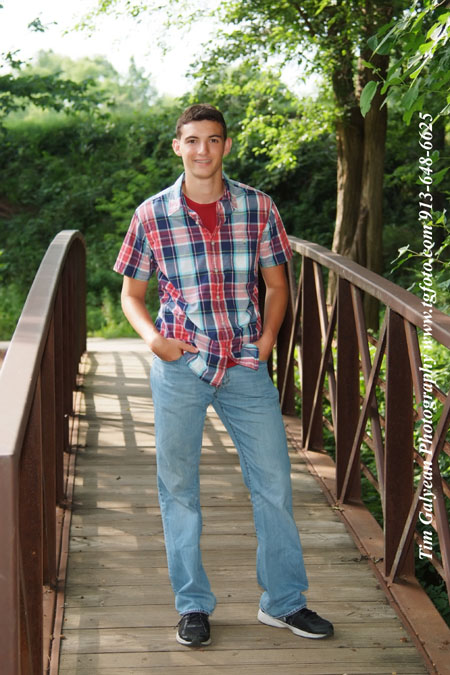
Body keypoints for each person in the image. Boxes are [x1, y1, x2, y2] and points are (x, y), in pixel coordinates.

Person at [114, 103, 334, 648]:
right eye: (192, 140)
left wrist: (265, 343)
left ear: (226, 146)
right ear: (177, 147)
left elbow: (278, 286)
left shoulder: (258, 208)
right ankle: (192, 605)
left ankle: (283, 603)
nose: (202, 151)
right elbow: (131, 295)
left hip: (243, 366)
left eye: (213, 140)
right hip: (181, 367)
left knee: (275, 487)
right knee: (179, 491)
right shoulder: (152, 214)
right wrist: (155, 341)